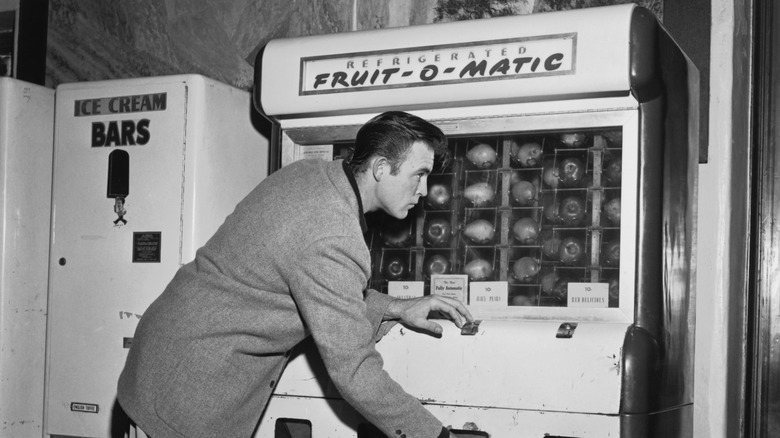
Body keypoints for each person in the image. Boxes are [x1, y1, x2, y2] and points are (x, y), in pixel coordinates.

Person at [117, 111, 473, 438]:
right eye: (419, 175)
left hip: (163, 359)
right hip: (184, 395)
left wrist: (395, 306)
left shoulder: (311, 175)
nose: (424, 191)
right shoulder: (334, 235)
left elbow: (308, 288)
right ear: (381, 168)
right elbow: (355, 371)